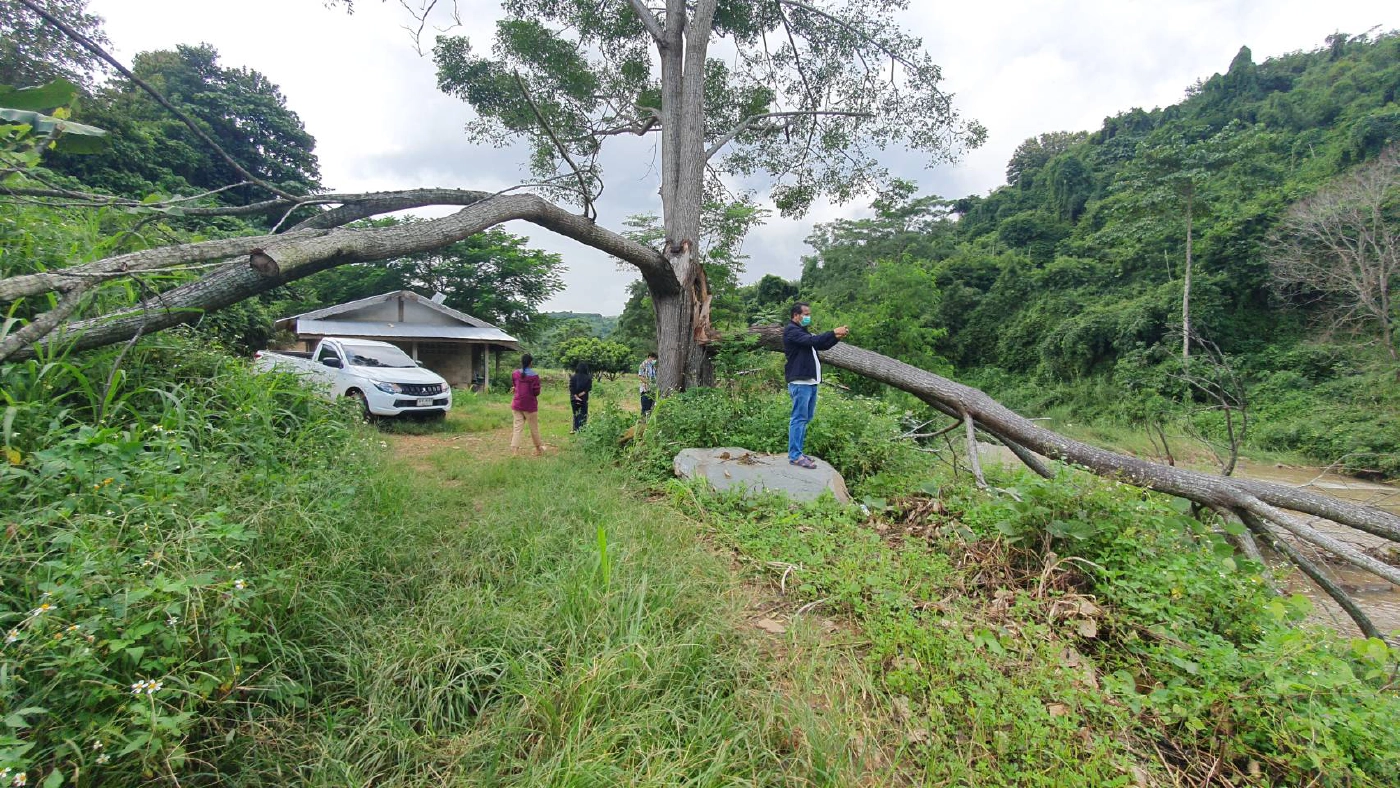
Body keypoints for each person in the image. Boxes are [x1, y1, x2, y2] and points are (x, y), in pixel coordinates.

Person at [783, 303, 848, 469]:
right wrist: (833, 332)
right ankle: (795, 456)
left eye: (809, 314)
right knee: (798, 418)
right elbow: (813, 340)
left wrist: (835, 337)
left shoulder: (803, 332)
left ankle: (798, 452)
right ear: (796, 315)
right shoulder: (792, 331)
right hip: (800, 383)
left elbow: (821, 344)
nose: (808, 317)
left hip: (810, 382)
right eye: (806, 314)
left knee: (805, 418)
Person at [510, 353, 545, 456]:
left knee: (517, 428)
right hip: (530, 406)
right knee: (534, 428)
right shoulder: (534, 376)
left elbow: (515, 385)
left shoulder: (515, 373)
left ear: (521, 362)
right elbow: (536, 392)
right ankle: (538, 449)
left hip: (517, 404)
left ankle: (515, 451)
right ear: (531, 363)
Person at [568, 360, 593, 433]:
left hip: (574, 399)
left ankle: (575, 429)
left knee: (575, 414)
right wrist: (582, 394)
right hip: (584, 398)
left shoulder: (573, 377)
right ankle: (582, 429)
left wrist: (576, 396)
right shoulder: (588, 378)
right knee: (583, 414)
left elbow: (571, 387)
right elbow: (588, 388)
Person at [637, 351, 658, 417]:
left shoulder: (653, 366)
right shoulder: (643, 365)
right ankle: (642, 423)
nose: (654, 360)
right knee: (645, 408)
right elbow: (640, 376)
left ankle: (647, 423)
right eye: (653, 359)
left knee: (650, 408)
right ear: (649, 357)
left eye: (655, 359)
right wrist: (649, 383)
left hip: (652, 390)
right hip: (645, 390)